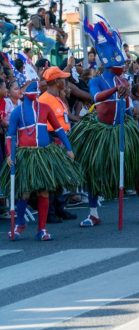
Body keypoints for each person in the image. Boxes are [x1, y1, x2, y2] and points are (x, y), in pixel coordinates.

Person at [70, 15, 139, 227]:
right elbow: (97, 98)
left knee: (136, 168)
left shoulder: (124, 80)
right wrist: (114, 90)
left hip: (122, 129)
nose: (125, 65)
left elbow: (129, 106)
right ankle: (93, 212)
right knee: (94, 169)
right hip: (101, 131)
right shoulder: (97, 81)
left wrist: (132, 108)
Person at [2, 62, 81, 241]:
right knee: (25, 192)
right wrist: (10, 154)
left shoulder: (45, 108)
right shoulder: (17, 112)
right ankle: (20, 223)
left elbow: (59, 129)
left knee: (44, 192)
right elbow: (10, 136)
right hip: (26, 155)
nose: (35, 91)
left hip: (44, 154)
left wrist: (68, 148)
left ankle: (42, 229)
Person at [39, 66, 78, 222]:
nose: (65, 80)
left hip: (60, 139)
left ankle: (59, 208)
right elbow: (45, 126)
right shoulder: (44, 100)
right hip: (52, 140)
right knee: (51, 178)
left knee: (59, 177)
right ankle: (50, 212)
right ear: (56, 81)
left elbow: (65, 118)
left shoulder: (57, 97)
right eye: (62, 78)